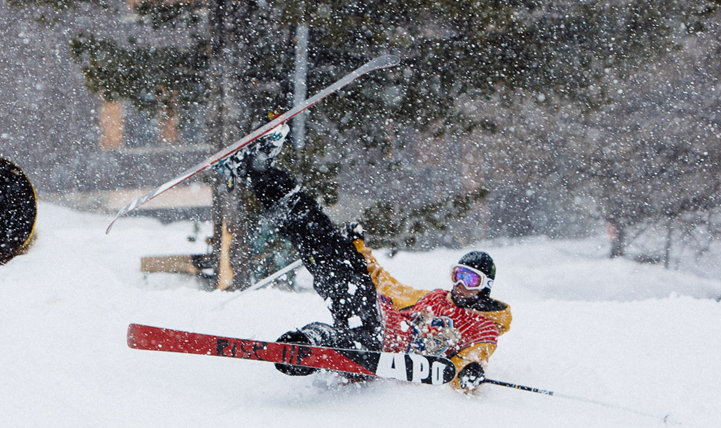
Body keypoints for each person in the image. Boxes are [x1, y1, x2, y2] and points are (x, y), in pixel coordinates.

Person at [219, 122, 511, 391]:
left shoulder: (484, 328)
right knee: (323, 239)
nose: (460, 284)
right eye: (458, 274)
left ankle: (310, 344)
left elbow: (470, 362)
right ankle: (258, 172)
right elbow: (385, 284)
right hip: (374, 317)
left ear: (485, 286)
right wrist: (357, 247)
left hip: (383, 353)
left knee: (355, 338)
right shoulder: (433, 298)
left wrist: (468, 375)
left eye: (470, 279)